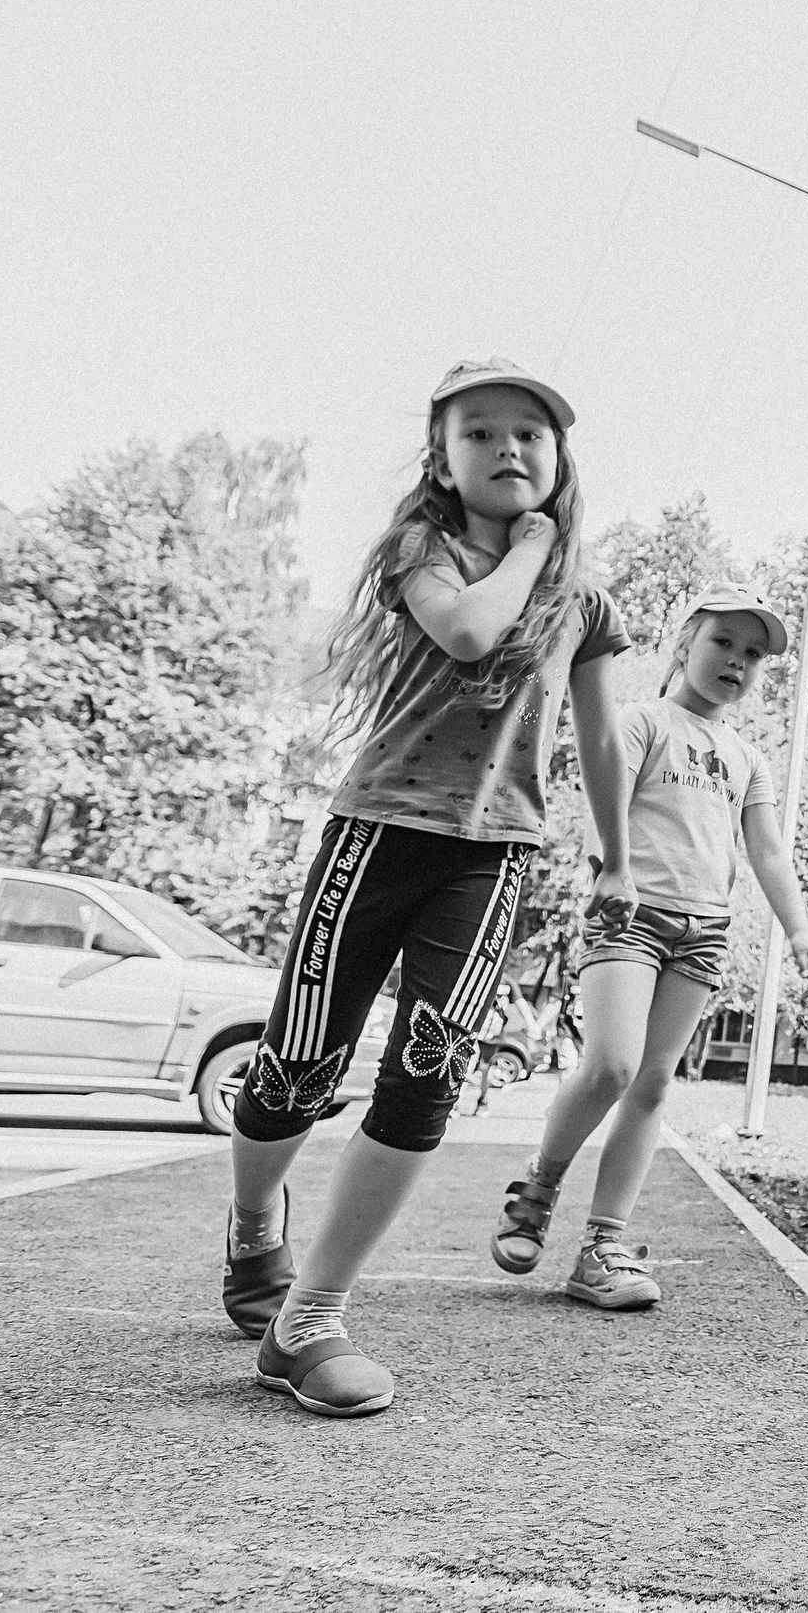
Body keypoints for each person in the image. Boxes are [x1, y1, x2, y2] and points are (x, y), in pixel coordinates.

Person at [219, 358, 636, 1419]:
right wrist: (534, 546)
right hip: (378, 832)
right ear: (443, 463)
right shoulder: (423, 550)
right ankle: (256, 1223)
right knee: (298, 1068)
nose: (508, 448)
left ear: (560, 457)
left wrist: (619, 858)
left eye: (529, 433)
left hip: (493, 853)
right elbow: (467, 632)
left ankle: (308, 1318)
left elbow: (598, 741)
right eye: (479, 432)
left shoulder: (587, 605)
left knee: (426, 1077)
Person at [488, 583, 808, 1307]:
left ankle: (602, 1246)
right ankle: (539, 1186)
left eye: (753, 654)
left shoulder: (748, 759)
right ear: (685, 643)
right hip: (631, 916)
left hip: (704, 933)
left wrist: (796, 926)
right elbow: (603, 800)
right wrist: (611, 867)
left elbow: (767, 851)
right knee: (611, 1064)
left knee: (654, 1083)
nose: (737, 661)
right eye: (723, 642)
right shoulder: (642, 722)